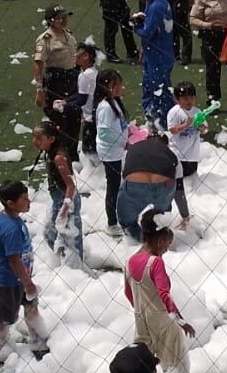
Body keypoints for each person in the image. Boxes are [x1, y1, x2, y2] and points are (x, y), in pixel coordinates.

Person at [126, 209, 196, 373]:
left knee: (145, 368)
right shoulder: (155, 262)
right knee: (176, 369)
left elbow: (129, 294)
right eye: (167, 244)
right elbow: (165, 294)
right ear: (161, 239)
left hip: (142, 322)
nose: (166, 249)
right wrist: (180, 320)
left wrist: (144, 311)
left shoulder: (130, 261)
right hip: (165, 323)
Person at [0, 180, 50, 359]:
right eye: (24, 199)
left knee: (31, 307)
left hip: (20, 277)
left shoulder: (9, 217)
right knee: (3, 319)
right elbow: (13, 260)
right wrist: (28, 283)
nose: (29, 201)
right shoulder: (10, 228)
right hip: (5, 281)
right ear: (10, 203)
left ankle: (37, 341)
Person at [32, 121, 83, 265]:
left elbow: (70, 185)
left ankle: (77, 268)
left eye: (39, 138)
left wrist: (65, 209)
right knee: (50, 233)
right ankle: (64, 262)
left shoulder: (58, 157)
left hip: (66, 200)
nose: (35, 142)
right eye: (34, 137)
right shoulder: (49, 151)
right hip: (59, 199)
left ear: (51, 139)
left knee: (72, 239)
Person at [33, 5, 82, 155]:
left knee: (74, 117)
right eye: (60, 18)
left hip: (72, 79)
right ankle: (60, 155)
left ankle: (72, 155)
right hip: (57, 82)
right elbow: (38, 64)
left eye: (65, 17)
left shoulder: (68, 34)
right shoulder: (45, 39)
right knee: (61, 121)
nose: (64, 20)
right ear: (51, 21)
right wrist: (39, 89)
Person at [131, 0, 176, 126]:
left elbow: (147, 32)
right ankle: (152, 120)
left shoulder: (156, 7)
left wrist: (135, 25)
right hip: (154, 54)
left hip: (159, 57)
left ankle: (165, 125)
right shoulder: (155, 2)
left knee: (160, 92)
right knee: (150, 89)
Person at [117, 132, 178, 240]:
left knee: (127, 221)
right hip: (163, 183)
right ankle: (161, 234)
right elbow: (175, 164)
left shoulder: (135, 146)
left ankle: (139, 241)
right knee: (162, 215)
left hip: (136, 183)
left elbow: (126, 172)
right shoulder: (164, 148)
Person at [94, 70, 132, 235]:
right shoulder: (105, 107)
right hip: (110, 153)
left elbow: (118, 126)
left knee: (117, 184)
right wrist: (123, 142)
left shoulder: (113, 102)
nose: (119, 88)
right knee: (113, 186)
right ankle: (111, 222)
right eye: (114, 85)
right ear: (105, 87)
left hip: (116, 150)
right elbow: (104, 132)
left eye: (119, 84)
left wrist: (130, 132)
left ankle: (117, 216)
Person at [165, 83, 202, 230]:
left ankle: (186, 213)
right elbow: (173, 130)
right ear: (177, 100)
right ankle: (177, 212)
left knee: (189, 179)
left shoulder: (197, 111)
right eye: (185, 98)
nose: (189, 101)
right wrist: (186, 125)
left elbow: (204, 128)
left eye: (191, 98)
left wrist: (200, 126)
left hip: (192, 156)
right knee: (178, 184)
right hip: (177, 155)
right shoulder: (174, 113)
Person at [71, 45, 100, 157]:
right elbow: (80, 95)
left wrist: (66, 106)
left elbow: (82, 99)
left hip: (90, 117)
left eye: (77, 54)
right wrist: (66, 101)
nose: (75, 55)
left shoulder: (86, 75)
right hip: (93, 115)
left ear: (86, 56)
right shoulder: (92, 72)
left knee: (89, 150)